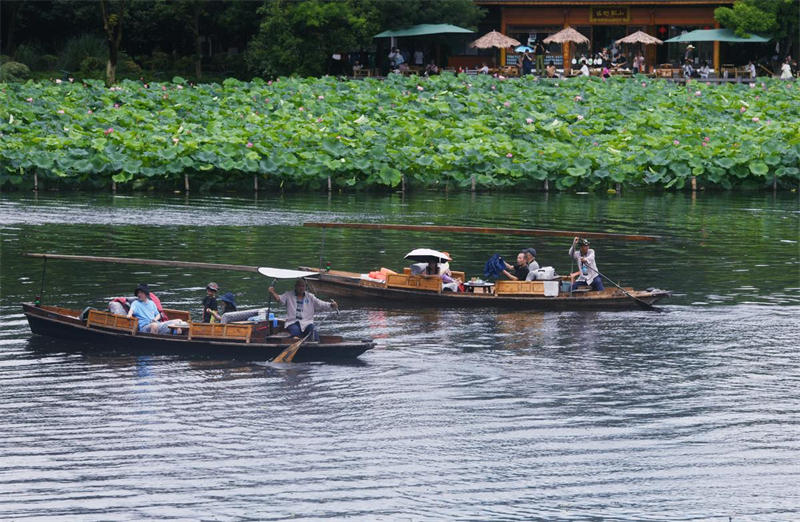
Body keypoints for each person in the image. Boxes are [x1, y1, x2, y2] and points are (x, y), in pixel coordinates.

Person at [269, 279, 337, 341]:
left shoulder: (310, 296)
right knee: (295, 333)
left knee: (313, 332)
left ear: (305, 287)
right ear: (295, 286)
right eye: (299, 286)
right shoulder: (288, 295)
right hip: (292, 322)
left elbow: (320, 304)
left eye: (303, 286)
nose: (301, 288)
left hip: (307, 322)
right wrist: (272, 292)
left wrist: (330, 304)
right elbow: (278, 299)